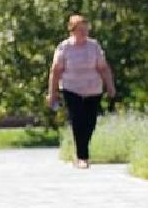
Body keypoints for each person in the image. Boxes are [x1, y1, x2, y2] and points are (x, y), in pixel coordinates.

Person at [46, 14, 115, 169]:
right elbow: (56, 71)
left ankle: (82, 150)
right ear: (73, 30)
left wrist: (110, 86)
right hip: (72, 88)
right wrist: (53, 92)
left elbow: (103, 68)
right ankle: (82, 156)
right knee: (77, 120)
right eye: (81, 30)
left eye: (86, 29)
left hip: (93, 89)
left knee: (90, 122)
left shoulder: (94, 46)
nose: (84, 33)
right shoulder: (64, 47)